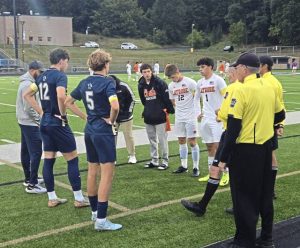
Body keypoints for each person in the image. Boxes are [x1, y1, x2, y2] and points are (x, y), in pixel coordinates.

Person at [218, 53, 285, 247]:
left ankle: (244, 242)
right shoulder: (269, 86)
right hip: (265, 147)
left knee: (244, 198)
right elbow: (279, 113)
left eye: (236, 67)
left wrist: (223, 158)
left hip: (245, 150)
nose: (234, 70)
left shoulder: (241, 89)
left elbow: (233, 128)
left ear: (244, 69)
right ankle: (266, 238)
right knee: (264, 195)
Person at [23, 48, 89, 208]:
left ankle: (52, 198)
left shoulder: (41, 76)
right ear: (61, 60)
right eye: (66, 61)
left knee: (49, 160)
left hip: (45, 122)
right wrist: (63, 114)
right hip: (57, 122)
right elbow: (61, 96)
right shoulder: (60, 76)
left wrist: (41, 112)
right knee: (72, 159)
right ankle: (79, 198)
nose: (67, 65)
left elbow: (27, 94)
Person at [65, 49, 122, 231]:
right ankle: (102, 220)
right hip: (103, 131)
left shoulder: (84, 82)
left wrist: (85, 117)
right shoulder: (107, 82)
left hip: (89, 130)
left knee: (92, 170)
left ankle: (95, 212)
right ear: (106, 65)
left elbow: (68, 102)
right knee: (106, 174)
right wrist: (111, 120)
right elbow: (115, 106)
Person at [181, 66, 241, 216]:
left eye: (231, 73)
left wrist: (220, 114)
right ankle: (202, 206)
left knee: (235, 170)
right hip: (227, 133)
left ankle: (241, 205)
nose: (228, 75)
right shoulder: (204, 83)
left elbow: (233, 114)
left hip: (235, 135)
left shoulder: (235, 88)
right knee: (215, 167)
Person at [194, 57, 227, 184]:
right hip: (205, 119)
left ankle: (225, 174)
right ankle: (211, 174)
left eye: (203, 67)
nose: (200, 70)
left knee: (220, 147)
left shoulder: (219, 80)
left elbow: (227, 97)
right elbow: (196, 99)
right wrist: (198, 113)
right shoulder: (200, 83)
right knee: (209, 147)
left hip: (217, 120)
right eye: (199, 67)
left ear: (211, 67)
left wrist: (221, 114)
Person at [16, 60, 46, 194]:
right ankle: (32, 184)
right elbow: (29, 107)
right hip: (29, 122)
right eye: (40, 72)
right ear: (34, 70)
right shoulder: (27, 84)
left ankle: (29, 179)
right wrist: (38, 120)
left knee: (26, 151)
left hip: (24, 121)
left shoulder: (25, 82)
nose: (40, 75)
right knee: (36, 152)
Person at [164, 64, 200, 176]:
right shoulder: (171, 86)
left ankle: (195, 167)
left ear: (178, 71)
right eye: (171, 78)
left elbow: (198, 97)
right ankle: (184, 166)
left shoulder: (190, 82)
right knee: (181, 141)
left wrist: (196, 111)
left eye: (174, 77)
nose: (173, 79)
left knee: (192, 142)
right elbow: (172, 100)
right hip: (179, 117)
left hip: (190, 117)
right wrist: (180, 108)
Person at [138, 63, 174, 170]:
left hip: (160, 116)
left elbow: (166, 98)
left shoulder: (160, 83)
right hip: (148, 116)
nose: (147, 74)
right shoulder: (141, 84)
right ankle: (154, 160)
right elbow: (143, 100)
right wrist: (148, 109)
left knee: (162, 140)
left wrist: (169, 110)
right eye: (144, 72)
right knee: (152, 140)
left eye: (148, 71)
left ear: (152, 71)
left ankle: (165, 161)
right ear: (142, 73)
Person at [259, 55, 285, 200]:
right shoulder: (266, 80)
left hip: (267, 124)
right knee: (268, 155)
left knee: (269, 156)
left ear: (264, 66)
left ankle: (269, 189)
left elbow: (279, 106)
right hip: (267, 123)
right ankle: (268, 189)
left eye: (258, 64)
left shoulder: (271, 82)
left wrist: (278, 124)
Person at [110, 75, 137, 164]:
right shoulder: (106, 87)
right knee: (111, 137)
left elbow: (132, 99)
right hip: (113, 117)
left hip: (126, 116)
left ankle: (132, 155)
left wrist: (128, 112)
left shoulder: (123, 86)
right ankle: (112, 157)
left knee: (128, 136)